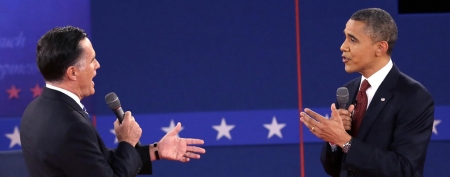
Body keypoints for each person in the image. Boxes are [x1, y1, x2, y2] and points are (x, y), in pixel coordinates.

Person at [20, 26, 206, 177]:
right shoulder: (72, 126)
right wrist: (127, 141)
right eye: (92, 60)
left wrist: (156, 150)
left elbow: (93, 164)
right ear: (73, 73)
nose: (97, 65)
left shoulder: (35, 109)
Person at [299, 8, 434, 177]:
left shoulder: (413, 97)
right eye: (345, 37)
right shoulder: (348, 91)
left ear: (380, 48)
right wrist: (333, 140)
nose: (343, 46)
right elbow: (333, 169)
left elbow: (404, 169)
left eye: (353, 39)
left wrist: (345, 141)